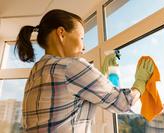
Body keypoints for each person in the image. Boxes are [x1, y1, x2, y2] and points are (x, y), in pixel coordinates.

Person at [15, 9, 154, 133]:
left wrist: (103, 76)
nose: (84, 47)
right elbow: (122, 103)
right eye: (81, 38)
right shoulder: (70, 66)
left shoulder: (35, 72)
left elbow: (68, 102)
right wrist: (140, 82)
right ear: (61, 33)